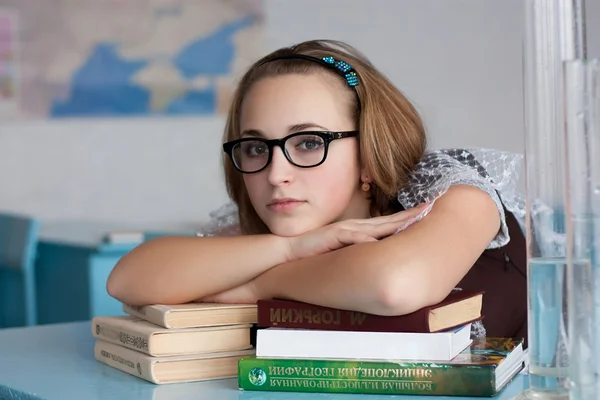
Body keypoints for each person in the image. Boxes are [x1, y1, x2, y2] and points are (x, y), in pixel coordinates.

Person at [107, 39, 527, 341]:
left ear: (367, 152)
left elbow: (395, 284)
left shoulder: (452, 190)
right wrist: (290, 249)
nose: (275, 174)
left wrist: (259, 286)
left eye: (308, 142)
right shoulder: (281, 231)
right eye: (256, 147)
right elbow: (128, 278)